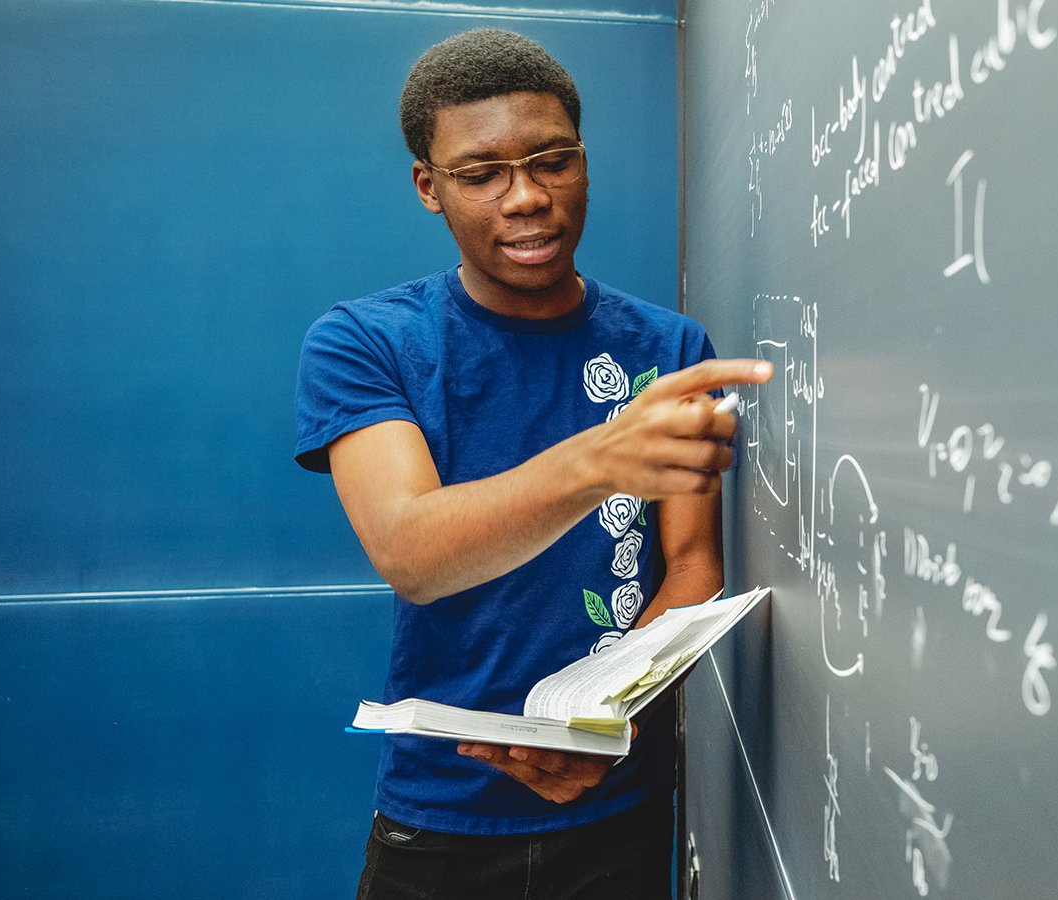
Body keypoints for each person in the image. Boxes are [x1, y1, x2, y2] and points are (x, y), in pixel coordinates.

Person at [293, 28, 770, 900]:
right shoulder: (366, 343)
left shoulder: (668, 349)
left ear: (583, 161)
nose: (527, 199)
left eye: (553, 162)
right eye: (482, 175)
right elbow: (414, 554)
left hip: (621, 802)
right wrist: (601, 457)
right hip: (443, 819)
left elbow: (694, 565)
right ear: (428, 187)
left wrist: (604, 720)